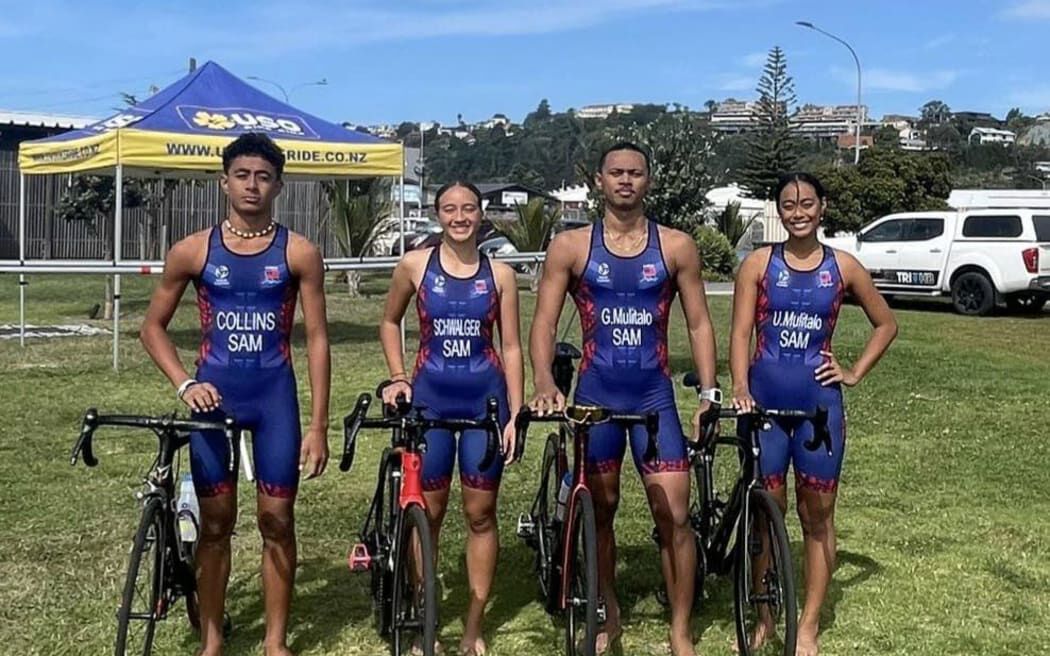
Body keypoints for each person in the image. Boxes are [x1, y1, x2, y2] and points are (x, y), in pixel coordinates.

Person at [140, 132, 331, 656]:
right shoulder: (193, 249)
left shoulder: (299, 252)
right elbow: (152, 327)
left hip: (274, 401)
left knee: (277, 520)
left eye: (263, 176)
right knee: (216, 525)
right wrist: (185, 382)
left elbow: (316, 339)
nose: (252, 185)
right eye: (242, 175)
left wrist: (317, 425)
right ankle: (212, 640)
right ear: (225, 181)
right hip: (214, 403)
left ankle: (275, 642)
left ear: (279, 185)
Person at [529, 142, 719, 656]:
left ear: (648, 181)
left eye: (636, 173)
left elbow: (699, 324)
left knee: (674, 515)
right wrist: (545, 383)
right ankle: (607, 608)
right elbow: (544, 322)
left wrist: (707, 391)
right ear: (599, 180)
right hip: (596, 396)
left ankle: (680, 629)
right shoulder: (571, 247)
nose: (626, 181)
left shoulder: (676, 246)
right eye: (617, 173)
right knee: (601, 511)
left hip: (654, 396)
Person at [730, 172, 897, 656]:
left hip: (818, 411)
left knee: (817, 517)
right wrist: (740, 386)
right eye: (788, 204)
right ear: (778, 210)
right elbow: (741, 334)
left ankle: (808, 624)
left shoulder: (843, 268)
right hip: (763, 406)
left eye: (807, 203)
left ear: (822, 207)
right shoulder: (759, 264)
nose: (798, 212)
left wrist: (853, 371)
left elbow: (885, 324)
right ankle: (764, 611)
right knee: (766, 512)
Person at [378, 181, 524, 656]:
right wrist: (398, 375)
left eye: (469, 209)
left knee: (481, 514)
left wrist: (515, 411)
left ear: (481, 215)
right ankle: (426, 619)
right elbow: (389, 320)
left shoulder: (499, 274)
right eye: (449, 209)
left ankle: (473, 626)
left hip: (485, 406)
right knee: (430, 513)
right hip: (430, 407)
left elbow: (511, 347)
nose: (460, 217)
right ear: (437, 213)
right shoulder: (415, 266)